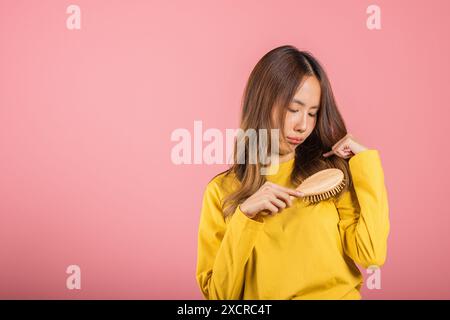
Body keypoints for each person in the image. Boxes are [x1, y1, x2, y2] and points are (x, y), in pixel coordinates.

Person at [195, 45, 390, 299]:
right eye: (293, 109)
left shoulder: (330, 175)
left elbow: (371, 254)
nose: (303, 125)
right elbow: (220, 297)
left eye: (312, 113)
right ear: (262, 102)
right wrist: (245, 216)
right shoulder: (221, 191)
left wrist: (366, 163)